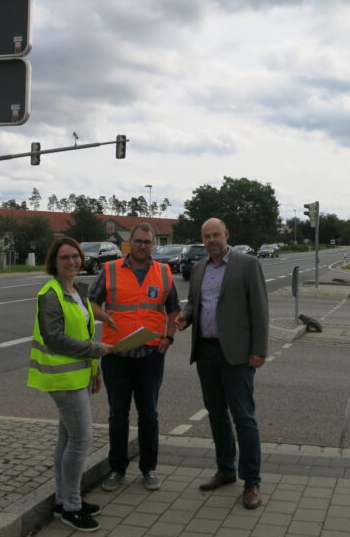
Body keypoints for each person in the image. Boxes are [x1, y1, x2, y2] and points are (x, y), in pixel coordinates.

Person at [174, 217, 269, 510]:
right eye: (207, 236)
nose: (212, 240)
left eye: (216, 235)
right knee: (216, 414)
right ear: (202, 239)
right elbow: (193, 303)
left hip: (238, 354)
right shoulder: (200, 267)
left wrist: (259, 350)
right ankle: (226, 470)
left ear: (226, 234)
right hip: (205, 351)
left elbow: (260, 310)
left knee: (244, 417)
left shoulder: (247, 264)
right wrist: (186, 317)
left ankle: (251, 481)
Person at [27, 236, 115, 532]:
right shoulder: (50, 294)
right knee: (81, 440)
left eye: (75, 256)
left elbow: (85, 330)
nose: (72, 261)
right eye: (64, 257)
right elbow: (55, 338)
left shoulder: (76, 290)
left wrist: (95, 370)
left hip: (77, 375)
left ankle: (63, 500)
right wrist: (95, 351)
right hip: (60, 378)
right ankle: (72, 507)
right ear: (54, 262)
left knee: (67, 440)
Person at [91, 223, 181, 492]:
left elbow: (173, 310)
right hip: (116, 354)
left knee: (149, 415)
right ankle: (117, 469)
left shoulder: (164, 272)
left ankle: (149, 468)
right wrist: (104, 315)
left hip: (150, 355)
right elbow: (91, 303)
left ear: (153, 244)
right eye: (139, 241)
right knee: (118, 415)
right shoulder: (110, 270)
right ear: (130, 243)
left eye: (148, 242)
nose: (143, 246)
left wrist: (169, 338)